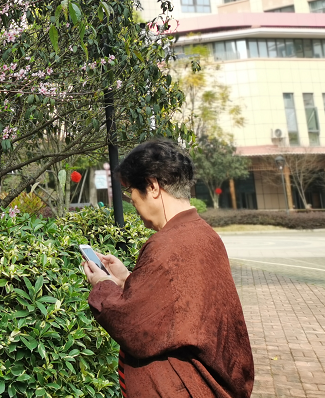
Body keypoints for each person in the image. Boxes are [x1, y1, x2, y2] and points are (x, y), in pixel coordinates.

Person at [83, 139, 253, 398]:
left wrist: (102, 286)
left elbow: (135, 324)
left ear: (152, 186)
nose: (133, 204)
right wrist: (127, 280)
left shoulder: (166, 245)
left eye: (132, 194)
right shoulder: (204, 234)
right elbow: (179, 302)